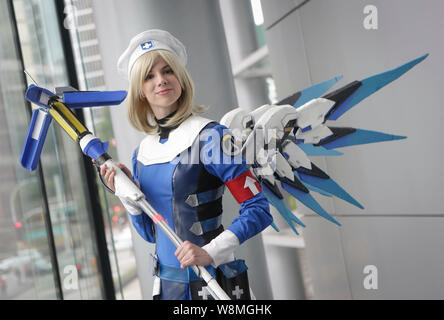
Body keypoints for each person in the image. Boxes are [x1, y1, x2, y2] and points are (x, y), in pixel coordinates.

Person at [101, 29, 272, 300]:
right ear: (141, 92)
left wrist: (210, 252)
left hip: (213, 283)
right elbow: (151, 233)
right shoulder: (141, 153)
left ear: (180, 77)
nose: (161, 81)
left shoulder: (211, 137)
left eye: (167, 70)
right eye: (149, 76)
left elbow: (259, 210)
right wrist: (128, 196)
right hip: (168, 287)